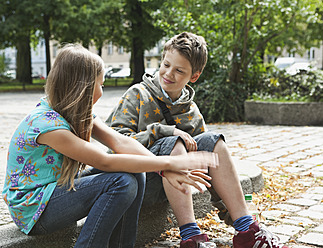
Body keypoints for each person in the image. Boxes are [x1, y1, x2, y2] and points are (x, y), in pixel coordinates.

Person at [2, 44, 219, 248]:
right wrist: (174, 161)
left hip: (54, 191)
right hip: (34, 209)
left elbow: (119, 141)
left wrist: (164, 169)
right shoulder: (48, 126)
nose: (102, 90)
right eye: (101, 84)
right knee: (120, 182)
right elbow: (104, 161)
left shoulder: (75, 112)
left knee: (135, 173)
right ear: (84, 88)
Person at [105, 32, 289, 248]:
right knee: (174, 143)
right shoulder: (137, 94)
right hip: (141, 182)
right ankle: (191, 237)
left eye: (179, 70)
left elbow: (208, 164)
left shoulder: (190, 109)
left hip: (176, 185)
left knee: (214, 141)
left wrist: (226, 210)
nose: (168, 73)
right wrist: (165, 132)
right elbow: (114, 144)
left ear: (194, 76)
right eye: (166, 65)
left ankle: (245, 228)